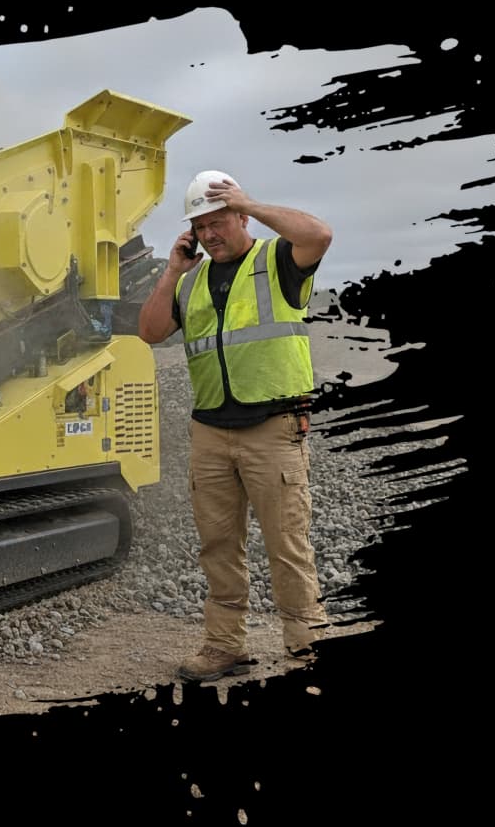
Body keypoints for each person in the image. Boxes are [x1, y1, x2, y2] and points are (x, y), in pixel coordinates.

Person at [138, 170, 332, 681]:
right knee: (218, 546)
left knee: (286, 544)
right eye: (200, 226)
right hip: (211, 432)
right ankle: (225, 646)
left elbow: (319, 234)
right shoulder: (192, 281)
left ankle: (306, 650)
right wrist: (169, 273)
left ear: (241, 215)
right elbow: (151, 332)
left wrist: (253, 200)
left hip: (273, 426)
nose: (209, 234)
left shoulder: (279, 261)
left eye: (218, 221)